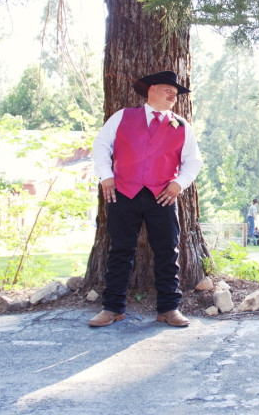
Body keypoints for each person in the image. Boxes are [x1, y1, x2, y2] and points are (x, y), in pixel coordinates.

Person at [88, 70, 203, 328]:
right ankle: (112, 308)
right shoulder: (123, 117)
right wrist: (105, 176)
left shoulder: (181, 125)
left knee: (167, 252)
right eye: (168, 89)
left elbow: (194, 161)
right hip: (123, 193)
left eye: (176, 92)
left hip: (162, 197)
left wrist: (178, 184)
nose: (174, 94)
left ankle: (169, 308)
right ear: (152, 90)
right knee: (119, 251)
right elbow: (101, 145)